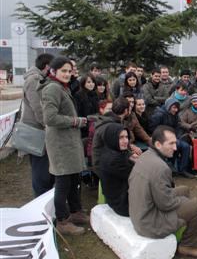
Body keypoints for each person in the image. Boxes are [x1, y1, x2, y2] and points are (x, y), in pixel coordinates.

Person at [128, 125, 197, 258]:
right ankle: (188, 246)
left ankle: (184, 228)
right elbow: (166, 204)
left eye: (175, 143)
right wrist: (183, 202)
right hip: (150, 223)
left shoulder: (146, 156)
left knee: (184, 190)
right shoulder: (161, 167)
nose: (175, 148)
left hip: (139, 215)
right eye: (171, 144)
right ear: (158, 144)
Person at [39, 56, 88, 235]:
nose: (67, 74)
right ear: (54, 71)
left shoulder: (61, 87)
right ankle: (62, 220)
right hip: (60, 144)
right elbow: (49, 118)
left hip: (68, 141)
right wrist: (75, 121)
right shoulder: (52, 88)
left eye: (69, 71)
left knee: (74, 178)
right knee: (63, 181)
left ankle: (75, 212)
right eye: (64, 71)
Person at [21, 53, 55, 196]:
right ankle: (39, 203)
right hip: (37, 132)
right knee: (40, 171)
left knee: (43, 169)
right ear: (47, 66)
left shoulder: (38, 78)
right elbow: (38, 108)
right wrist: (49, 124)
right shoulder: (34, 79)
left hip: (40, 131)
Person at [149, 98, 194, 179]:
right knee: (174, 146)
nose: (175, 110)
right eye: (173, 107)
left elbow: (177, 127)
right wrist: (163, 137)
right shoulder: (159, 114)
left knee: (186, 146)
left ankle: (182, 169)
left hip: (173, 137)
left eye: (177, 108)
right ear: (168, 106)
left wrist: (177, 137)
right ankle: (170, 168)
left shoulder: (175, 115)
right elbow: (152, 128)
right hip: (161, 138)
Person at [99, 124, 136, 217]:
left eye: (127, 137)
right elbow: (137, 175)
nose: (125, 141)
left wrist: (130, 156)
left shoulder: (110, 149)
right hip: (123, 204)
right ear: (112, 138)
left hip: (119, 198)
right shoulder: (114, 160)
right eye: (121, 137)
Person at [92, 97, 130, 175]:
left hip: (102, 163)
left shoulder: (108, 121)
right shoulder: (112, 126)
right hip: (103, 167)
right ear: (126, 110)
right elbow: (115, 148)